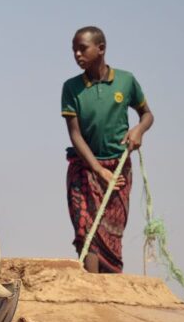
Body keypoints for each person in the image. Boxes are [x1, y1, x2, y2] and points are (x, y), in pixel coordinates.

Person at [62, 26, 154, 273]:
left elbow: (147, 115)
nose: (77, 54)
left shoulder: (126, 81)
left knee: (112, 230)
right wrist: (98, 170)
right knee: (86, 228)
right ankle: (93, 289)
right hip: (84, 168)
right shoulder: (71, 88)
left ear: (101, 48)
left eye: (82, 48)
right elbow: (75, 134)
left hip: (119, 167)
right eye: (74, 50)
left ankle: (110, 289)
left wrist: (138, 130)